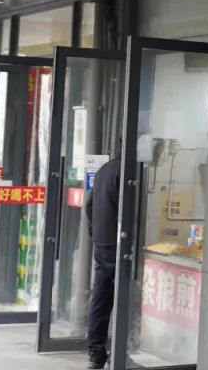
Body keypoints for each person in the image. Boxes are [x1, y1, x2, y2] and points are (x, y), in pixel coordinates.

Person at [84, 156, 121, 370]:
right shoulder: (129, 171)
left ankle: (96, 353)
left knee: (101, 296)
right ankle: (121, 352)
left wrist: (95, 233)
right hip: (118, 244)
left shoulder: (104, 170)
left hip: (102, 241)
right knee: (126, 297)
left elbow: (89, 206)